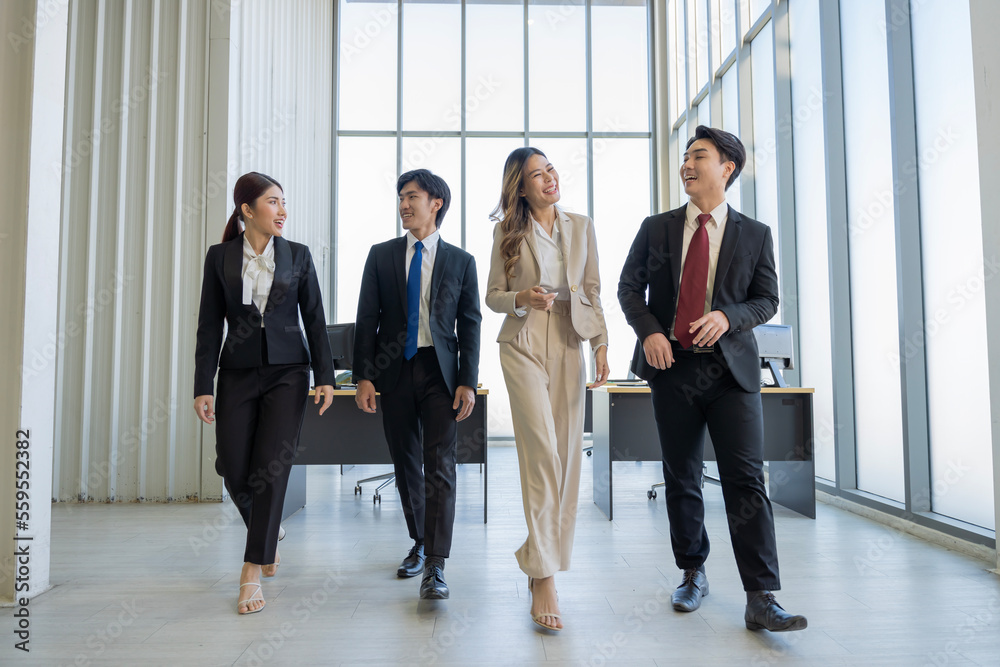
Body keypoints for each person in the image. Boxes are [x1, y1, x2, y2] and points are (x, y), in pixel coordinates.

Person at [617, 126, 807, 632]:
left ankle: (761, 596)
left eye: (698, 155)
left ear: (727, 168)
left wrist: (728, 317)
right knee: (682, 475)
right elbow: (628, 288)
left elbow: (767, 300)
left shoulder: (755, 233)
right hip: (671, 366)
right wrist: (651, 333)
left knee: (746, 480)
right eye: (684, 156)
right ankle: (692, 572)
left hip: (730, 372)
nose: (687, 163)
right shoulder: (657, 228)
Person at [194, 171, 336, 615]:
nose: (282, 211)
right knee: (233, 467)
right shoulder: (219, 257)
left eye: (283, 202)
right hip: (235, 373)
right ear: (247, 210)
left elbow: (314, 319)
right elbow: (207, 325)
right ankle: (268, 530)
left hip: (288, 373)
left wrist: (325, 376)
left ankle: (252, 569)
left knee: (272, 468)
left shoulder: (298, 255)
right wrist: (203, 385)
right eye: (273, 202)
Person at [485, 147, 610, 632]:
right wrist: (520, 297)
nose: (548, 179)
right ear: (520, 186)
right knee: (542, 454)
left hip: (569, 341)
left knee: (567, 457)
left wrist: (601, 342)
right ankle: (543, 576)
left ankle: (543, 559)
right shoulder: (507, 233)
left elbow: (593, 288)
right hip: (522, 341)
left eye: (550, 169)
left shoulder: (580, 225)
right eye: (536, 175)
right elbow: (492, 294)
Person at [353, 169, 481, 600]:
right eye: (401, 198)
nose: (404, 205)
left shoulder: (461, 261)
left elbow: (470, 324)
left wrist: (467, 381)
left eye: (412, 197)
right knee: (405, 463)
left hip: (439, 373)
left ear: (436, 203)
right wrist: (364, 376)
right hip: (393, 371)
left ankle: (437, 565)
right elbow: (366, 319)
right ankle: (420, 541)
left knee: (440, 465)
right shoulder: (381, 254)